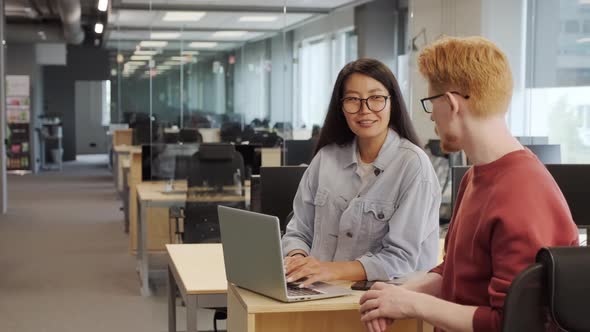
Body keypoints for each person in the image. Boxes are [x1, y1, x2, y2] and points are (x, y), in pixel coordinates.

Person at [359, 36, 579, 332]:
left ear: (450, 104)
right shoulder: (476, 176)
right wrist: (402, 293)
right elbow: (455, 273)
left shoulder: (523, 192)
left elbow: (512, 323)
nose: (431, 117)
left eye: (430, 104)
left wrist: (413, 305)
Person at [282, 58, 441, 288]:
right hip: (319, 293)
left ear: (392, 102)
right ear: (341, 106)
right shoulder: (326, 158)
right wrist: (298, 260)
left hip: (386, 303)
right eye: (353, 99)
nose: (364, 109)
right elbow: (299, 230)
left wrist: (329, 270)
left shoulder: (413, 166)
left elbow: (401, 259)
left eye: (376, 98)